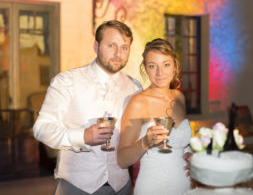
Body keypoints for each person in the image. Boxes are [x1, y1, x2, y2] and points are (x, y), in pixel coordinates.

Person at [33, 20, 142, 195]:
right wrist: (83, 136)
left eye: (124, 47)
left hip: (121, 185)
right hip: (77, 186)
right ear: (96, 46)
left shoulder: (135, 87)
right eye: (111, 45)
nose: (118, 53)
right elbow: (42, 129)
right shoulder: (66, 81)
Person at [117, 38, 192, 195]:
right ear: (145, 68)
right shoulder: (138, 103)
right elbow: (122, 159)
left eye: (166, 64)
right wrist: (145, 142)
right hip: (153, 186)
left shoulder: (179, 97)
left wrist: (190, 155)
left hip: (184, 184)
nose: (160, 73)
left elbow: (181, 142)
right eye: (152, 66)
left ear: (175, 66)